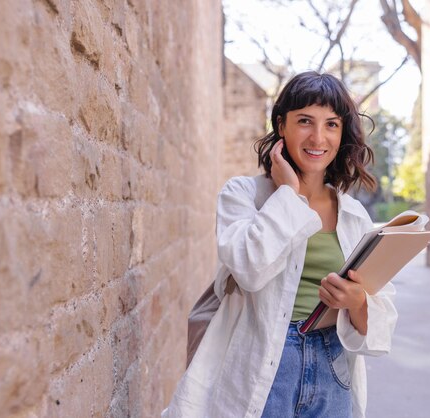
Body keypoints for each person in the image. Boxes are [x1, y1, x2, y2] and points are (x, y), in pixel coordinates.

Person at [162, 71, 398, 418]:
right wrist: (289, 194)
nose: (318, 137)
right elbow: (249, 270)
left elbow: (384, 313)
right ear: (281, 125)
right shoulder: (242, 195)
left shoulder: (354, 215)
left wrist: (358, 302)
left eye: (331, 124)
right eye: (305, 121)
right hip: (264, 362)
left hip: (332, 363)